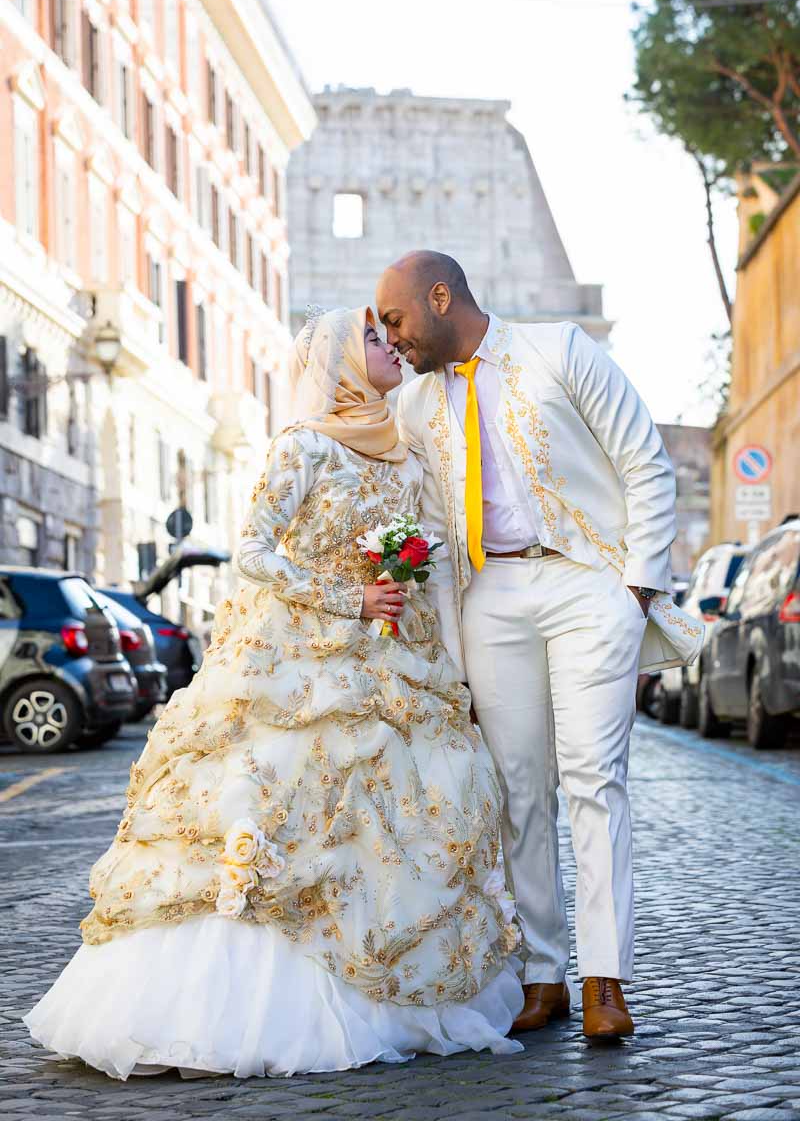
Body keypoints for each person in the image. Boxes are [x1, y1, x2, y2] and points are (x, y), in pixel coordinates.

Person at [23, 306, 524, 1080]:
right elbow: (254, 553)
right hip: (296, 666)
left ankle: (388, 989)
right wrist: (350, 598)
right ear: (335, 360)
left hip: (395, 668)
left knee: (395, 821)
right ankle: (242, 1008)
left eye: (387, 336)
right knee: (273, 811)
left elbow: (430, 562)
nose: (387, 346)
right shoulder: (304, 446)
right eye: (368, 337)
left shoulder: (409, 452)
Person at [377, 252, 703, 1040]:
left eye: (396, 320)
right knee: (519, 790)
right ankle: (544, 975)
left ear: (441, 296)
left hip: (589, 583)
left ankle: (606, 980)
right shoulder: (416, 406)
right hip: (490, 598)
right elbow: (421, 522)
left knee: (595, 777)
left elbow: (646, 466)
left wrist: (636, 593)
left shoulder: (560, 349)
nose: (392, 341)